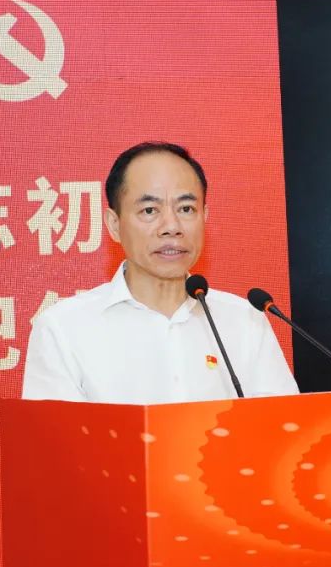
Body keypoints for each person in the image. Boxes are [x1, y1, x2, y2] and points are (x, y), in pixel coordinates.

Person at [22, 141, 299, 404]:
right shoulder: (63, 328)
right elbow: (53, 437)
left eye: (186, 209)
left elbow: (283, 429)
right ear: (114, 224)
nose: (171, 226)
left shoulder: (245, 320)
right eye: (149, 210)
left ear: (204, 217)